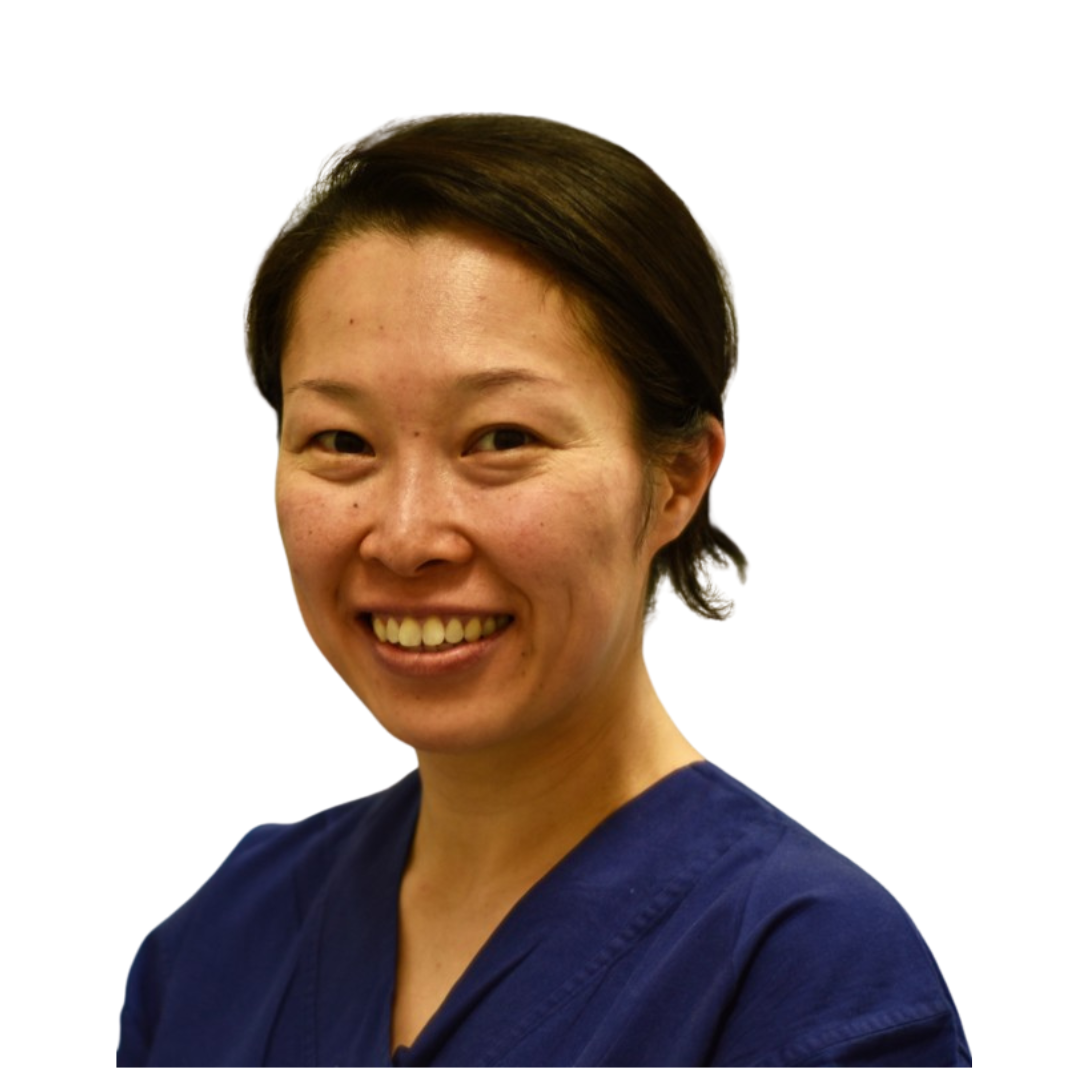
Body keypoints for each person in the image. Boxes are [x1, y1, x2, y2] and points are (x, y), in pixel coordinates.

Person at [117, 114, 970, 1067]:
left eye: (501, 439)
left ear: (678, 477)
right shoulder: (220, 943)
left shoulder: (803, 975)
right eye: (341, 442)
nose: (405, 537)